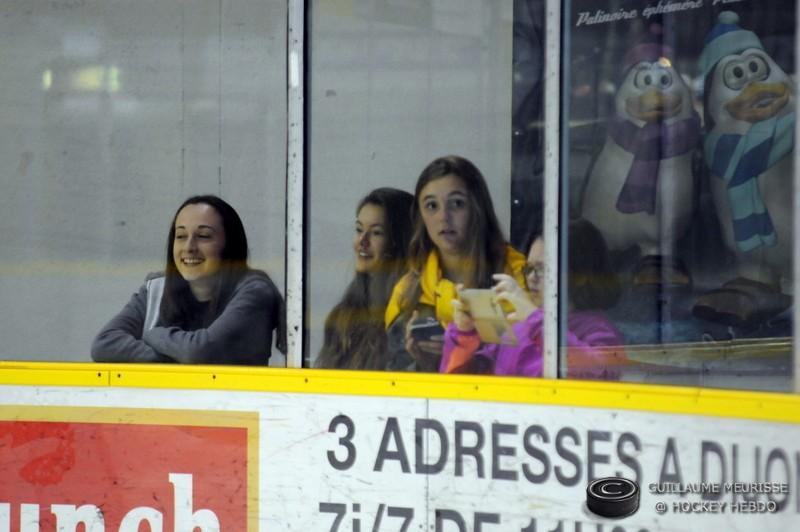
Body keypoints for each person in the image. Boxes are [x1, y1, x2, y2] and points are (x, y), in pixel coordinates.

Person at [91, 195, 285, 365]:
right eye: (181, 236)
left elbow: (200, 351)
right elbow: (104, 344)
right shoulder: (156, 290)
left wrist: (153, 334)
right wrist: (175, 357)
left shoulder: (255, 292)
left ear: (230, 245)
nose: (189, 247)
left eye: (203, 236)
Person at [384, 155, 528, 371]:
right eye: (431, 206)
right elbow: (392, 380)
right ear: (420, 216)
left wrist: (461, 353)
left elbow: (533, 365)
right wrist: (425, 364)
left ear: (478, 208)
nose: (443, 216)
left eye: (457, 204)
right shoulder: (407, 292)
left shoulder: (519, 279)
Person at [440, 218, 625, 379]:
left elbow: (599, 374)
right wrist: (464, 334)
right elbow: (465, 385)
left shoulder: (598, 330)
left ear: (581, 275)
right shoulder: (520, 325)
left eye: (543, 269)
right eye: (529, 268)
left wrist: (535, 320)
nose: (531, 278)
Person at [316, 188, 414, 370]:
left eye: (376, 232)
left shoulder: (411, 314)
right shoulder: (343, 315)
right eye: (359, 229)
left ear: (399, 241)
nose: (362, 241)